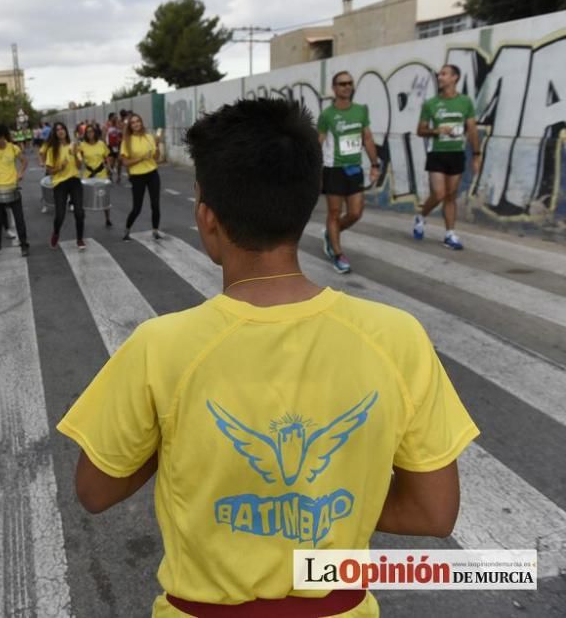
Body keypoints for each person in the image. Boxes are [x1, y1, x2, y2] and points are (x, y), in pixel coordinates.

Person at [57, 98, 478, 618]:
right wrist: (320, 511)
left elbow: (94, 490)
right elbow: (434, 512)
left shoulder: (159, 346)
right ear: (306, 206)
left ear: (207, 220)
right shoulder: (397, 338)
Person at [317, 70, 379, 274]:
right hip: (333, 168)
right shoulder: (327, 115)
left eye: (349, 83)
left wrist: (374, 164)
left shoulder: (361, 110)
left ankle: (330, 233)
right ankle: (337, 253)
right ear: (334, 88)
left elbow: (367, 138)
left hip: (354, 168)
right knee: (334, 212)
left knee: (355, 213)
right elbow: (320, 142)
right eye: (342, 84)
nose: (346, 86)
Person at [413, 64, 481, 250]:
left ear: (455, 78)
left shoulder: (465, 102)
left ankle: (449, 234)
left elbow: (472, 129)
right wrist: (437, 130)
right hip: (437, 153)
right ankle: (421, 216)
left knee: (450, 195)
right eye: (439, 74)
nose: (440, 77)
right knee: (439, 193)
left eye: (444, 74)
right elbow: (420, 130)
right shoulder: (431, 104)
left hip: (456, 153)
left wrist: (476, 155)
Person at [0, 124, 29, 257]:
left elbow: (24, 161)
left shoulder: (13, 148)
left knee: (20, 219)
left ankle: (24, 245)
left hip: (12, 187)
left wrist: (20, 173)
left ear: (4, 136)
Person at [120, 113, 162, 241]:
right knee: (137, 208)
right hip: (137, 176)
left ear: (141, 122)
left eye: (138, 121)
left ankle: (155, 230)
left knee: (155, 204)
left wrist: (157, 145)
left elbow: (156, 158)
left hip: (152, 173)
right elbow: (125, 162)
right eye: (133, 122)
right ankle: (127, 229)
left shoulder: (149, 137)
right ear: (130, 126)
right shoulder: (127, 141)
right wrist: (141, 158)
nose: (136, 124)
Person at [45, 122, 84, 250]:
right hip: (60, 183)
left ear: (66, 131)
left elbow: (79, 166)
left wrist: (75, 155)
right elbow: (50, 171)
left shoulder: (74, 146)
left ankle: (79, 239)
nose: (60, 131)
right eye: (57, 130)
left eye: (62, 129)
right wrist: (60, 167)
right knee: (60, 215)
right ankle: (56, 232)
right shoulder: (52, 150)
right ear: (55, 134)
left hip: (74, 180)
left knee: (79, 212)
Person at [79, 124, 113, 227]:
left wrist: (109, 166)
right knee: (85, 197)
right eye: (88, 132)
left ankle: (107, 218)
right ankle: (82, 219)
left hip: (101, 173)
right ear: (86, 134)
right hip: (88, 174)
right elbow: (78, 158)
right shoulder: (82, 145)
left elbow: (106, 156)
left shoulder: (101, 144)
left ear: (95, 133)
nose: (90, 134)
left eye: (92, 131)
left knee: (104, 195)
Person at [105, 113, 123, 182]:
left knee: (119, 162)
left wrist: (120, 139)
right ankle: (109, 176)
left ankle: (118, 176)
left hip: (118, 146)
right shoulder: (106, 126)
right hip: (110, 147)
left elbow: (122, 134)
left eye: (116, 117)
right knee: (111, 163)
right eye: (114, 117)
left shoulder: (119, 125)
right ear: (110, 118)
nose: (116, 118)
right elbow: (104, 137)